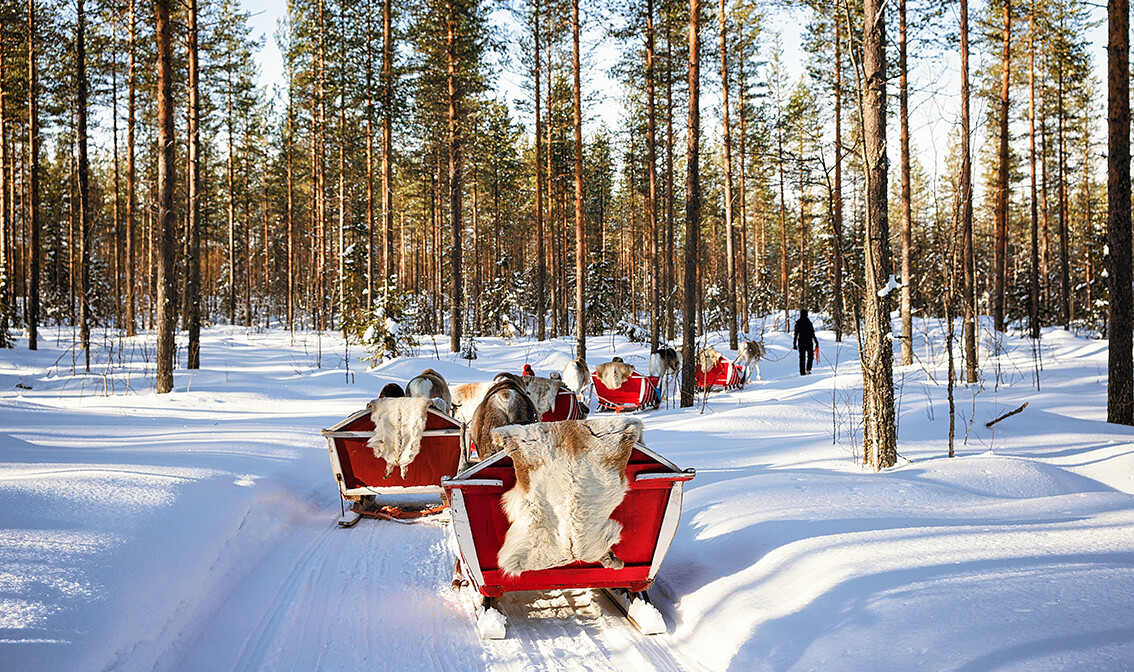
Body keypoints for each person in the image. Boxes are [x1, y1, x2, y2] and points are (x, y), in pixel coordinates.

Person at [792, 309, 816, 376]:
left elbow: (796, 335)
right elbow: (812, 333)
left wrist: (794, 344)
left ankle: (802, 372)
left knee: (802, 357)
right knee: (810, 356)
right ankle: (808, 369)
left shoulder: (798, 323)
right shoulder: (809, 323)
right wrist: (816, 342)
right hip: (809, 341)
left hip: (801, 342)